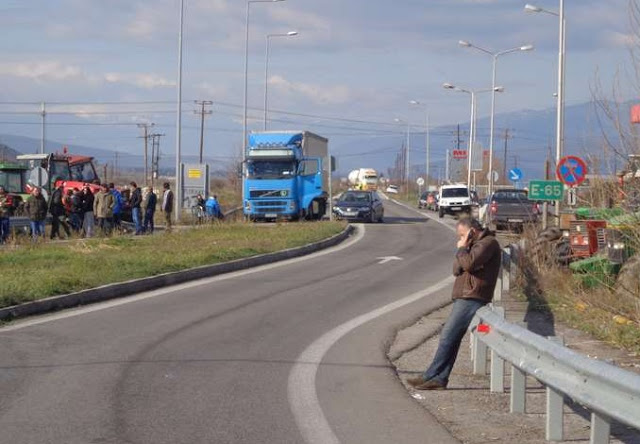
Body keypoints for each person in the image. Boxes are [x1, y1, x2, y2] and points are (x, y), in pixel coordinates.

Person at [408, 218, 501, 390]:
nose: (460, 238)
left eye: (462, 235)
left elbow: (469, 263)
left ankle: (430, 375)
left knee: (447, 336)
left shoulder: (487, 244)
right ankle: (440, 379)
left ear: (472, 231)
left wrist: (462, 248)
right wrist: (463, 248)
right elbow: (456, 269)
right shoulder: (472, 245)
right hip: (465, 294)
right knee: (452, 338)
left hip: (473, 296)